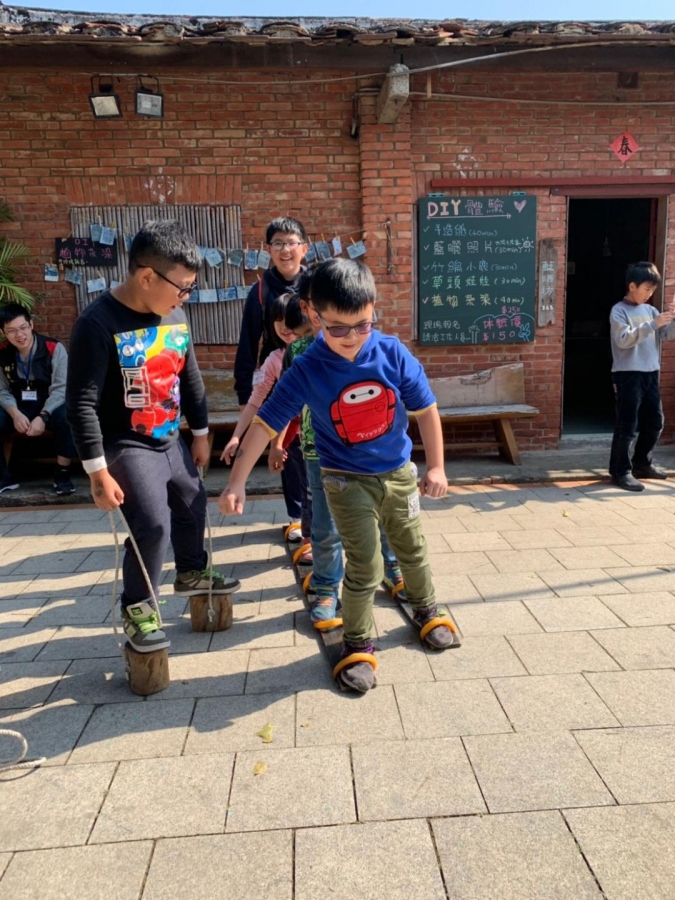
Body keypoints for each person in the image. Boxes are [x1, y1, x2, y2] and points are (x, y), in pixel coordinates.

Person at [220, 258, 456, 693]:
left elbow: (426, 410)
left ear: (373, 309)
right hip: (344, 481)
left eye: (362, 325)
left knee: (412, 548)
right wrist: (236, 481)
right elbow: (267, 422)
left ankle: (426, 608)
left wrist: (437, 466)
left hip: (398, 475)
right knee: (365, 563)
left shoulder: (392, 353)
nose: (351, 337)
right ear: (314, 315)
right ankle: (358, 640)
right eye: (338, 328)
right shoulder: (308, 367)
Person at [66, 220, 240, 653]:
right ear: (147, 276)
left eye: (191, 288)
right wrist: (97, 473)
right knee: (153, 525)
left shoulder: (174, 314)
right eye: (183, 287)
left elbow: (190, 378)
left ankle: (191, 571)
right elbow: (80, 405)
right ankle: (138, 609)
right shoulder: (96, 324)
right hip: (125, 444)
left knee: (193, 503)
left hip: (169, 438)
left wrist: (201, 434)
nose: (186, 296)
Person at [279, 279, 408, 628]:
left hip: (371, 454)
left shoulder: (372, 346)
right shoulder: (300, 351)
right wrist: (278, 443)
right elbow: (284, 405)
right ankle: (326, 586)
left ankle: (392, 567)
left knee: (385, 516)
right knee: (325, 525)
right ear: (310, 310)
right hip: (319, 453)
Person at [222, 292, 313, 543]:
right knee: (304, 483)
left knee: (318, 487)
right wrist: (237, 436)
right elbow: (259, 401)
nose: (284, 327)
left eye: (290, 320)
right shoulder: (274, 359)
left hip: (321, 432)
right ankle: (306, 532)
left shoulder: (320, 349)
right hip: (292, 432)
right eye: (278, 320)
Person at [609, 261, 675, 492]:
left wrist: (672, 319)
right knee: (627, 425)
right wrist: (652, 324)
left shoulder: (651, 311)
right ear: (632, 286)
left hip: (651, 372)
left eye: (652, 290)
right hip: (627, 374)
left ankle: (642, 464)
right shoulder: (619, 310)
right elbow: (623, 340)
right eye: (646, 289)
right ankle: (620, 471)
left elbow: (666, 335)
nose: (649, 294)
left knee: (655, 422)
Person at [0, 304, 77, 495]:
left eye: (23, 328)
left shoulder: (53, 348)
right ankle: (4, 476)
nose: (19, 335)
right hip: (19, 404)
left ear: (31, 325)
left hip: (50, 403)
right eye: (11, 331)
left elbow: (61, 388)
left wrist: (43, 416)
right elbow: (2, 390)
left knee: (67, 416)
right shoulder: (2, 352)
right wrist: (15, 414)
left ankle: (62, 473)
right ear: (3, 332)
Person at [233, 216, 309, 407]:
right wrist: (244, 396)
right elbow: (248, 345)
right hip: (273, 380)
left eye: (291, 243)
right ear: (269, 250)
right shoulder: (260, 291)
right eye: (278, 243)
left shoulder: (315, 287)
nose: (285, 250)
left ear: (304, 248)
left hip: (312, 375)